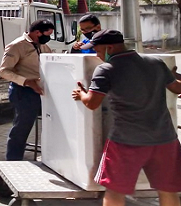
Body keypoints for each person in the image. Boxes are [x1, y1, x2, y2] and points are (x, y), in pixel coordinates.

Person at [72, 29, 181, 206]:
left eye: (98, 51)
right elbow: (177, 88)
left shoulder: (106, 69)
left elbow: (92, 103)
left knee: (115, 192)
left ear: (110, 47)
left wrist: (81, 94)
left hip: (126, 142)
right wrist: (172, 75)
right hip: (165, 139)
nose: (98, 55)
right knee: (168, 190)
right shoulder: (156, 62)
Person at [0, 19, 55, 161]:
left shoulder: (43, 46)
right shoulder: (17, 46)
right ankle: (13, 161)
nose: (48, 38)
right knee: (22, 127)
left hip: (40, 91)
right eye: (46, 34)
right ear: (37, 32)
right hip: (23, 92)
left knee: (53, 122)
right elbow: (4, 71)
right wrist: (27, 82)